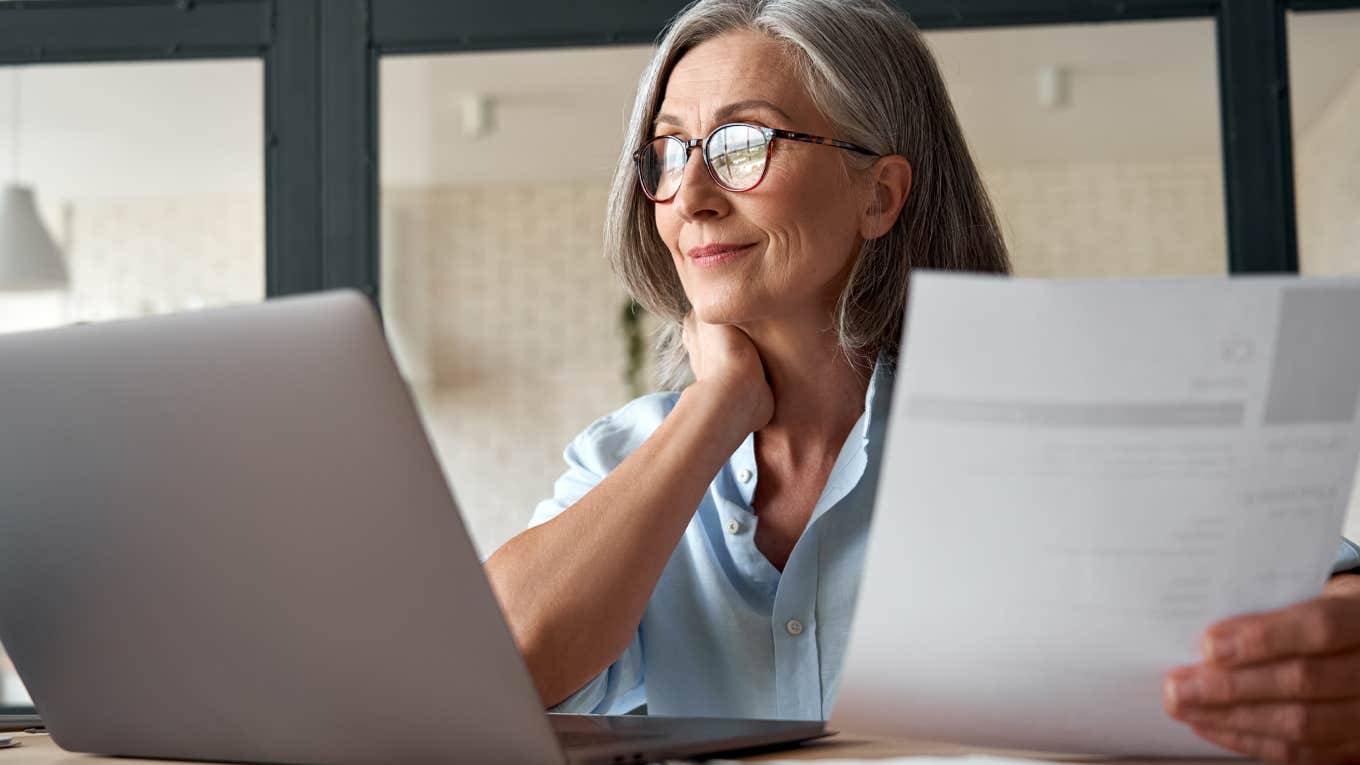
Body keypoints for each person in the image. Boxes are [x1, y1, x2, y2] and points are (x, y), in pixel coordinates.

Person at [483, 1, 1360, 761]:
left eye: (743, 143)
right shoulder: (623, 458)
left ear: (881, 194)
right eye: (669, 154)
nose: (694, 194)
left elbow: (1317, 595)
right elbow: (500, 662)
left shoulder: (1039, 423)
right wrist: (716, 408)